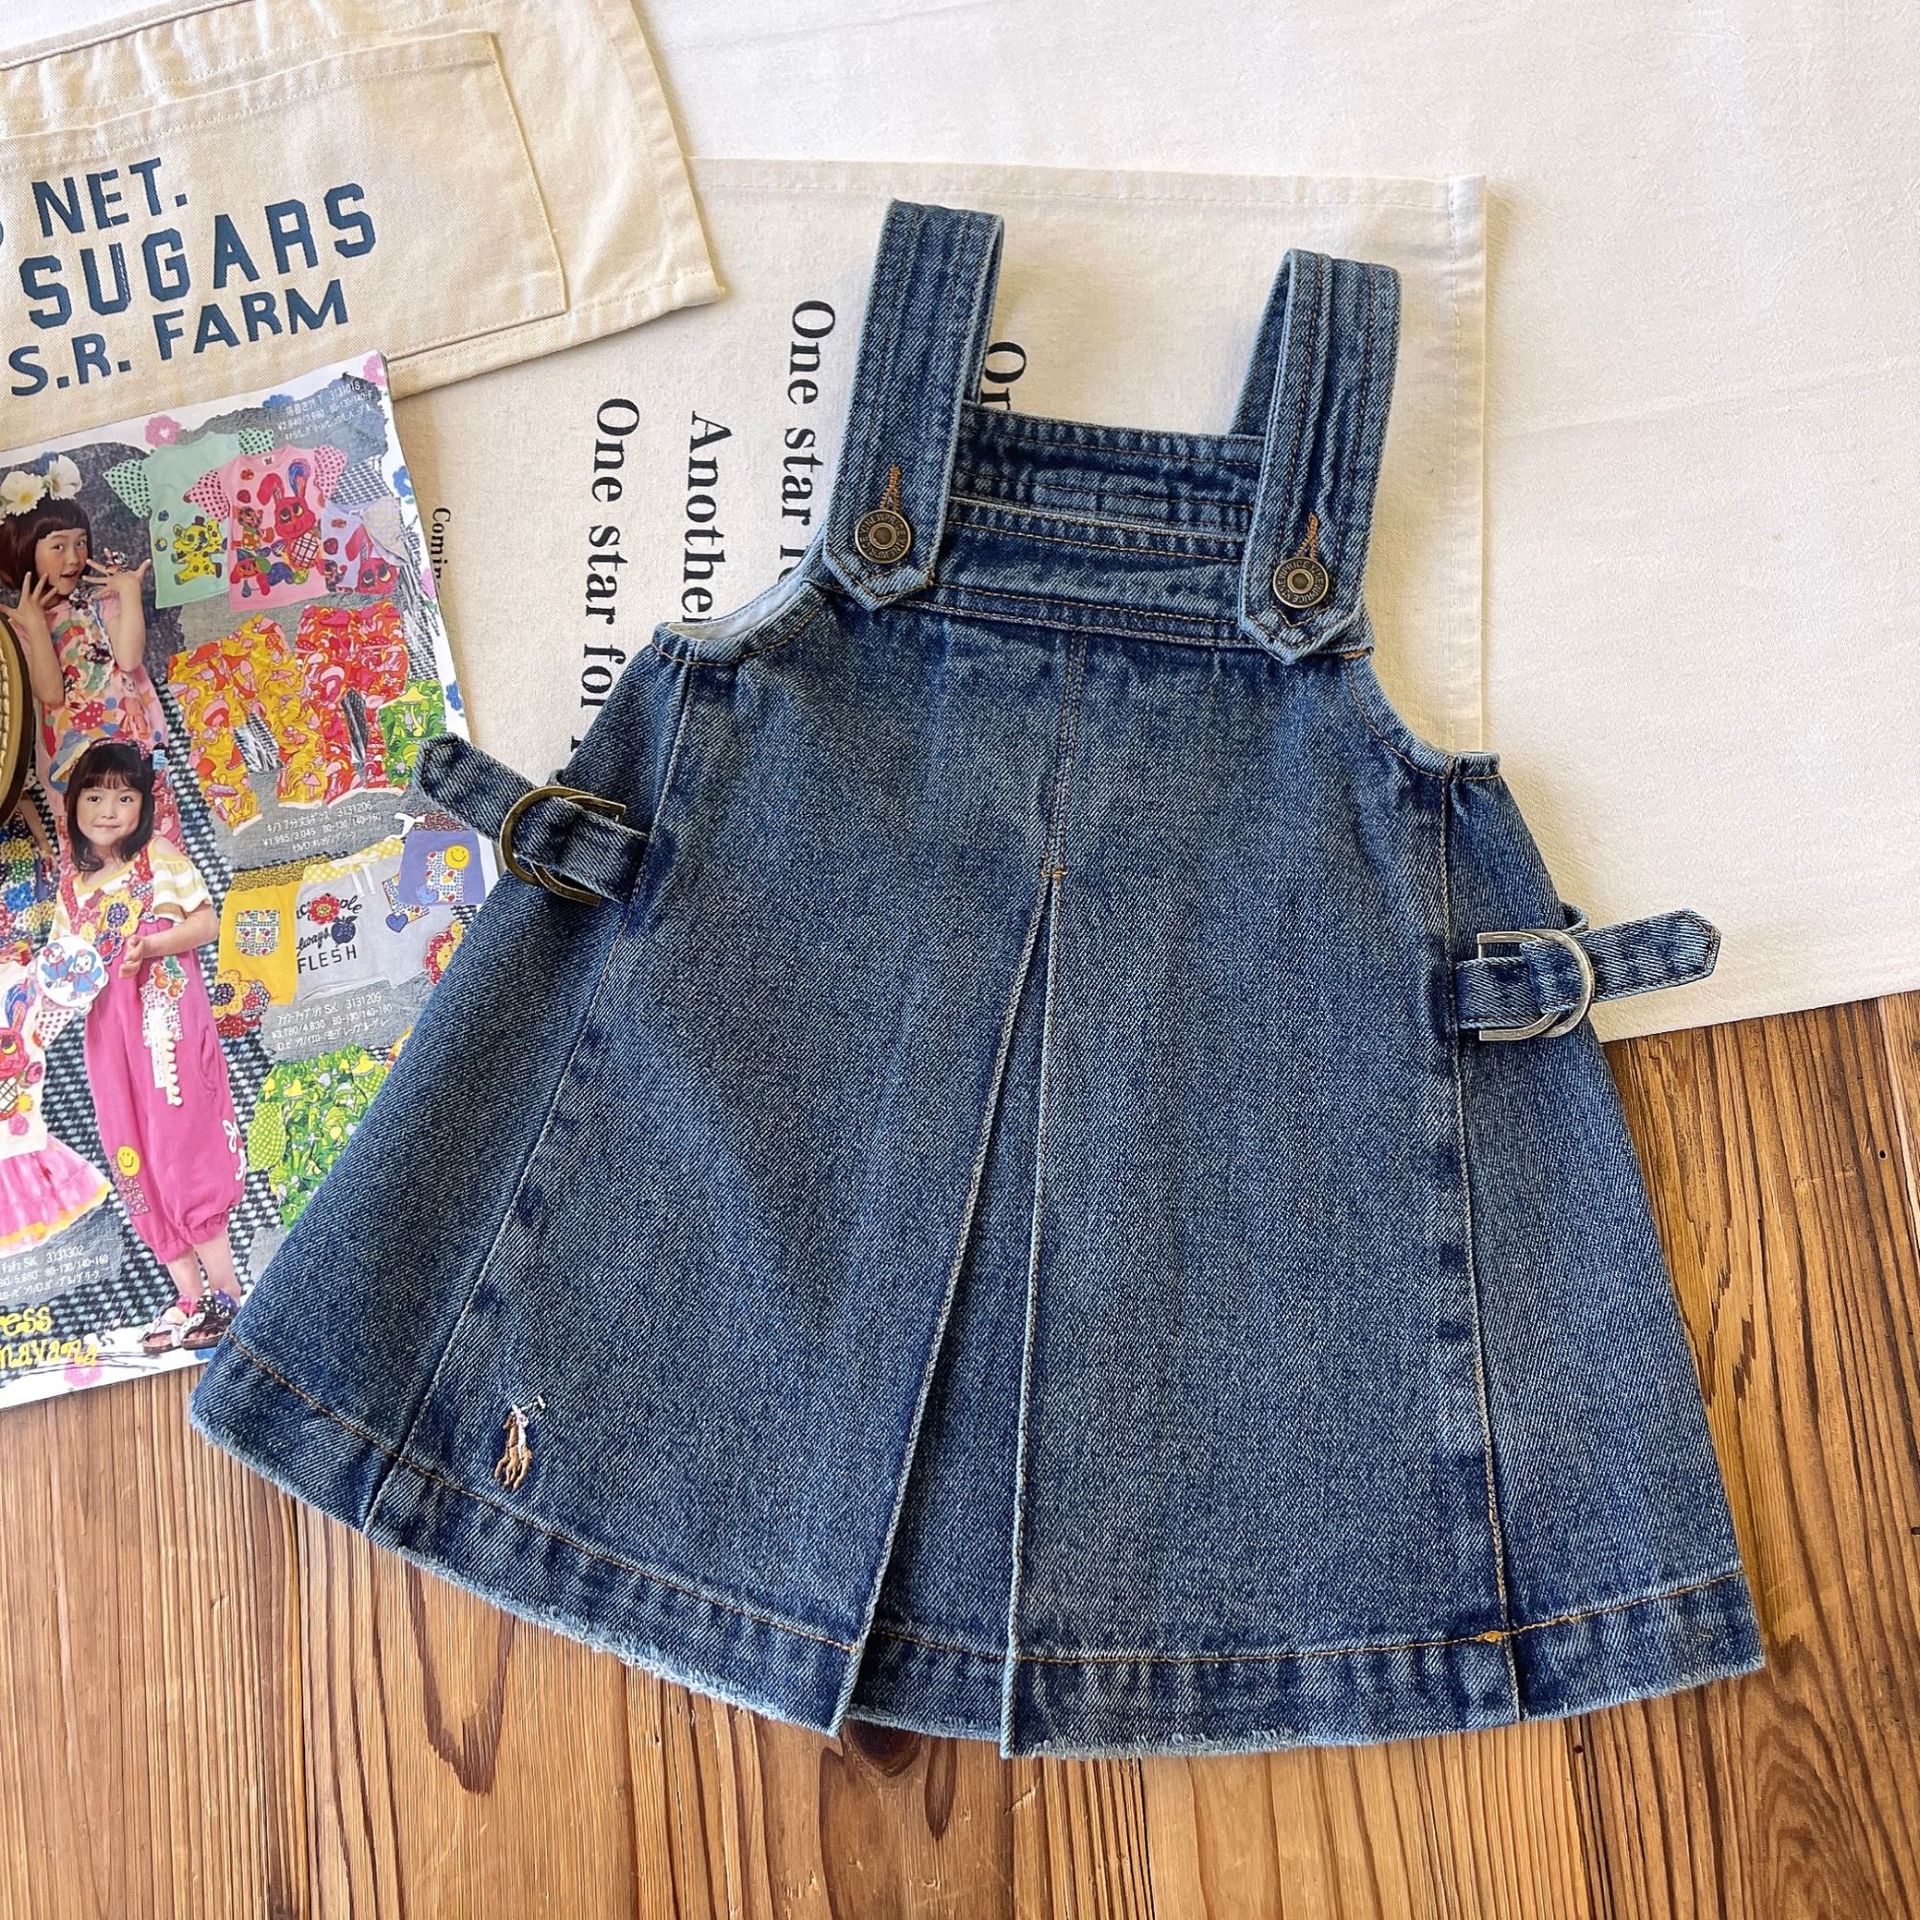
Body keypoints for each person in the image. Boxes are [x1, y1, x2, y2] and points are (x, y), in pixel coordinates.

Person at [48, 740, 245, 1355]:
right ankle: (187, 1298)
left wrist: (152, 946)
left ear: (143, 805)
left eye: (124, 797)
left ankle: (227, 1293)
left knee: (181, 1143)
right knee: (129, 1150)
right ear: (75, 805)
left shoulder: (158, 857)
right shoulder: (73, 890)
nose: (108, 810)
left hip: (164, 1022)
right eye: (94, 796)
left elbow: (206, 922)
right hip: (107, 1039)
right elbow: (62, 971)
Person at [0, 490, 183, 853]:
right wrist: (36, 626)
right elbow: (50, 693)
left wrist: (129, 593)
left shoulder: (100, 601)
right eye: (58, 546)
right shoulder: (17, 627)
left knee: (157, 835)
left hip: (135, 742)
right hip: (71, 762)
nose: (74, 557)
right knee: (90, 854)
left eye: (81, 542)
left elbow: (129, 658)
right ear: (25, 550)